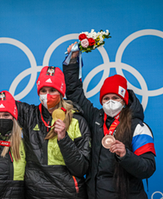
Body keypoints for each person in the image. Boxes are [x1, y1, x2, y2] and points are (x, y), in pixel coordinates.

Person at [0, 48, 91, 198]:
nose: (47, 96)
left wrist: (64, 138)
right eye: (43, 91)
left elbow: (81, 169)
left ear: (61, 93)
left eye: (52, 90)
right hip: (35, 194)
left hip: (68, 194)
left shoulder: (77, 121)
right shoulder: (30, 115)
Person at [62, 42, 156, 199]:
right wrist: (73, 59)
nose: (110, 102)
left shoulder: (138, 127)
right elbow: (74, 92)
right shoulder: (95, 118)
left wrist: (126, 155)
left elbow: (148, 168)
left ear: (124, 100)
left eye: (115, 98)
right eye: (106, 98)